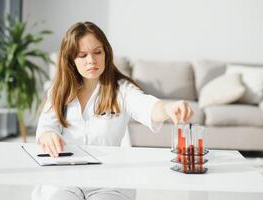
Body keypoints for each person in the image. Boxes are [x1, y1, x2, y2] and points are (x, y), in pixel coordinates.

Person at [33, 21, 193, 200]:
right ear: (71, 59)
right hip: (64, 179)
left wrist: (169, 108)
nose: (91, 60)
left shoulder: (121, 89)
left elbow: (146, 105)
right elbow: (46, 128)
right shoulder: (58, 90)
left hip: (108, 182)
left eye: (97, 52)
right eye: (82, 55)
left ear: (106, 53)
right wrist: (48, 135)